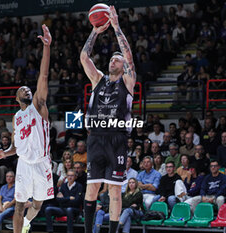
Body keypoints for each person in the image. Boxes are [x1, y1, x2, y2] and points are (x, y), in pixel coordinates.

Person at [80, 6, 137, 233]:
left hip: (117, 139)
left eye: (117, 59)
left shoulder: (128, 81)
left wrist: (115, 27)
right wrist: (95, 31)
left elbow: (130, 57)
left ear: (123, 67)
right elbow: (84, 57)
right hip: (96, 139)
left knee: (114, 191)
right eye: (112, 59)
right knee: (91, 189)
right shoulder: (98, 79)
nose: (113, 61)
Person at [0, 25, 53, 233]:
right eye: (22, 89)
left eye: (28, 88)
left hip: (42, 162)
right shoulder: (16, 117)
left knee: (37, 204)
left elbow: (43, 77)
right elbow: (17, 147)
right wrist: (5, 154)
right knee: (19, 205)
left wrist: (47, 47)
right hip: (24, 164)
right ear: (17, 98)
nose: (26, 88)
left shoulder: (38, 105)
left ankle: (27, 223)